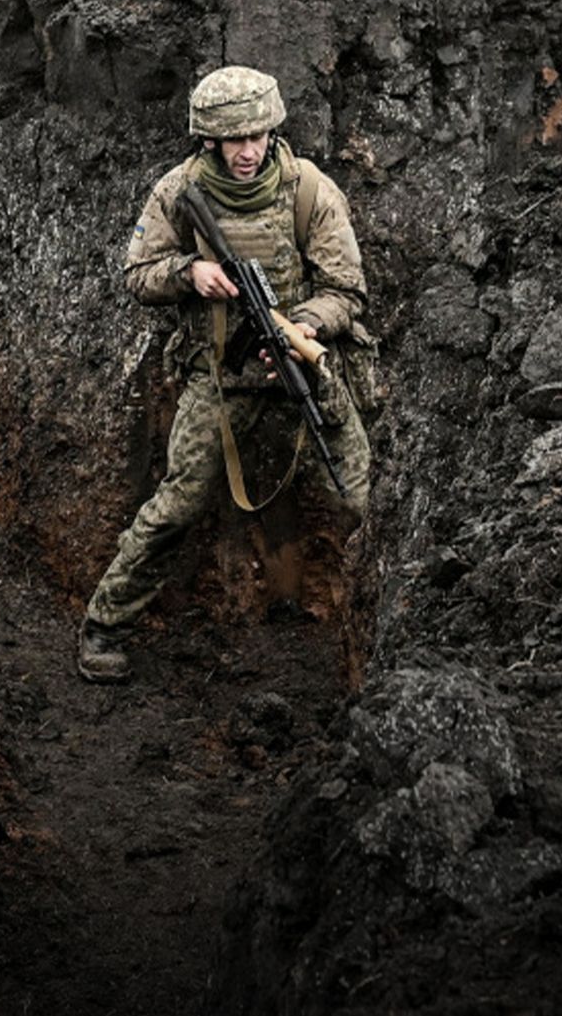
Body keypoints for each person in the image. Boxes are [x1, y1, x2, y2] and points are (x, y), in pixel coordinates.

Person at [78, 66, 373, 684]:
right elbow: (137, 274)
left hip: (301, 366)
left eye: (259, 136)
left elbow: (346, 289)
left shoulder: (308, 191)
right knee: (179, 504)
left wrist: (304, 328)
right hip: (217, 377)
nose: (248, 151)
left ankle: (384, 636)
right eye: (234, 140)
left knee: (359, 498)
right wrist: (189, 273)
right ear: (209, 140)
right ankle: (105, 625)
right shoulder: (178, 191)